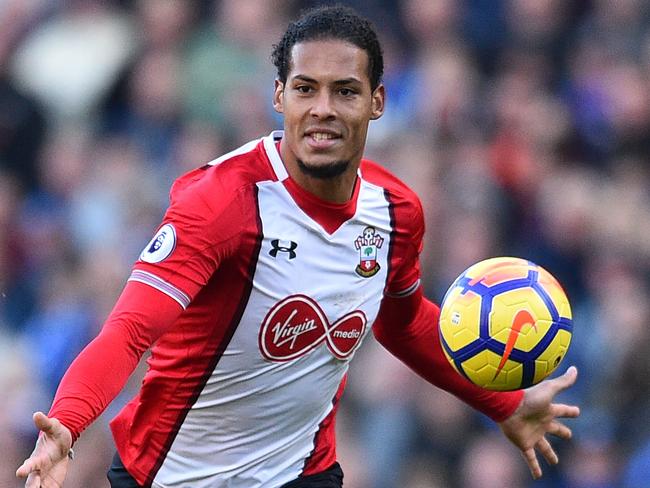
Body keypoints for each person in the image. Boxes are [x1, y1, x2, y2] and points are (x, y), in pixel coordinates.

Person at [16, 6, 579, 488]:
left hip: (302, 472)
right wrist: (68, 422)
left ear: (377, 102)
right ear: (280, 96)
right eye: (306, 89)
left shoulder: (396, 212)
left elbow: (403, 324)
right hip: (169, 473)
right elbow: (130, 331)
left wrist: (502, 402)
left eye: (346, 91)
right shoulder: (220, 202)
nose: (324, 109)